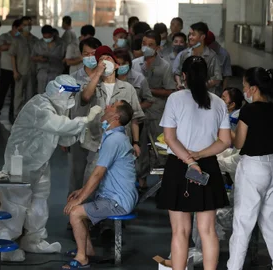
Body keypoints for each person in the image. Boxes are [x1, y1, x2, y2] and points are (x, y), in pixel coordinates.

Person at [0, 75, 103, 261]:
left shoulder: (57, 108)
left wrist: (79, 131)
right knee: (15, 204)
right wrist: (85, 120)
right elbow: (57, 125)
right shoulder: (40, 106)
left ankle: (34, 240)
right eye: (70, 96)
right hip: (19, 162)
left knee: (39, 201)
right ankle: (6, 246)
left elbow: (63, 137)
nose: (71, 101)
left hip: (40, 162)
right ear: (59, 92)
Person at [157, 56, 231, 270]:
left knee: (180, 231)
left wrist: (189, 160)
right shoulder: (218, 102)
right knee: (208, 230)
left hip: (179, 165)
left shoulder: (175, 99)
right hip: (207, 166)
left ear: (184, 76)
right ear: (207, 76)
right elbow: (225, 141)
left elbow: (170, 138)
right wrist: (199, 156)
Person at [63, 100, 139, 269]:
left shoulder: (114, 140)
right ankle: (87, 250)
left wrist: (80, 198)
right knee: (79, 209)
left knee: (75, 213)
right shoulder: (113, 137)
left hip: (118, 201)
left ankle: (82, 259)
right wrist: (82, 191)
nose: (106, 107)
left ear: (116, 116)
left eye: (111, 106)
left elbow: (98, 173)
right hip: (115, 197)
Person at [79, 45, 145, 189]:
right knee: (91, 183)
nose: (104, 61)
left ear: (116, 65)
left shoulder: (128, 88)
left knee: (118, 183)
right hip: (97, 143)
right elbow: (85, 97)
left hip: (120, 144)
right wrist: (97, 74)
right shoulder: (92, 86)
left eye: (108, 58)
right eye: (101, 60)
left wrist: (136, 142)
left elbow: (135, 118)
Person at [227, 67, 273, 270]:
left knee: (242, 224)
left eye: (245, 86)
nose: (244, 90)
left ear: (253, 88)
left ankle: (234, 267)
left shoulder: (248, 110)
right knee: (270, 222)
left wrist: (227, 132)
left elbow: (238, 143)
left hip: (252, 167)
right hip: (272, 166)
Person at [132, 30, 175, 190]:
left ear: (157, 47)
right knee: (139, 147)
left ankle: (162, 183)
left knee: (160, 147)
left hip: (158, 113)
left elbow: (170, 91)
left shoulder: (165, 67)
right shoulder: (135, 64)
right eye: (144, 44)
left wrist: (149, 89)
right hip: (138, 112)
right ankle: (141, 181)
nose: (146, 47)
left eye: (150, 45)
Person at [68, 37, 102, 206]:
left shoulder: (106, 77)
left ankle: (95, 211)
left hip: (100, 132)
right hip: (78, 131)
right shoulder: (72, 78)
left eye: (93, 54)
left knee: (97, 174)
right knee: (77, 173)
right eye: (86, 54)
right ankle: (73, 209)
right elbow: (66, 106)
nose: (89, 57)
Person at [173, 22, 222, 94]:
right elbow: (178, 72)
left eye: (193, 35)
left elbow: (217, 78)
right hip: (187, 94)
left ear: (202, 37)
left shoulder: (212, 56)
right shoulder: (185, 54)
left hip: (205, 95)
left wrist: (200, 86)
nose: (190, 37)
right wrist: (179, 83)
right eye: (189, 34)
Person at [10, 16, 39, 119]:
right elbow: (12, 55)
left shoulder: (35, 40)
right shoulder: (16, 40)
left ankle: (29, 116)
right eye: (25, 25)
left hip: (32, 71)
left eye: (29, 25)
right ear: (21, 26)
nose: (28, 27)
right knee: (18, 95)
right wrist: (15, 71)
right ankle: (17, 115)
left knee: (30, 95)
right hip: (20, 71)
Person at [0, 19, 21, 121]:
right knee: (2, 92)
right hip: (6, 68)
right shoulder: (4, 36)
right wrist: (14, 45)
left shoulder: (21, 38)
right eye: (19, 29)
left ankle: (12, 114)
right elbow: (1, 47)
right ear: (14, 28)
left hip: (18, 69)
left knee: (15, 93)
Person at [32, 25, 66, 94]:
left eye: (49, 37)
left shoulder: (61, 44)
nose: (47, 38)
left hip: (56, 72)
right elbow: (32, 57)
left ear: (52, 34)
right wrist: (39, 58)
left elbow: (66, 57)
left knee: (54, 93)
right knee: (41, 93)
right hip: (42, 72)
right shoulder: (38, 44)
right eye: (45, 37)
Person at [205, 30, 232, 95]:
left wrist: (224, 93)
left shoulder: (223, 54)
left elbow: (226, 75)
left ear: (213, 43)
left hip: (216, 91)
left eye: (208, 45)